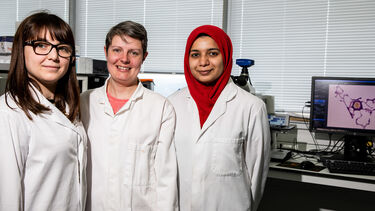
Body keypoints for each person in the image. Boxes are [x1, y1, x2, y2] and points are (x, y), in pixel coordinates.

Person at [168, 25, 271, 211]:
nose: (203, 62)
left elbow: (257, 176)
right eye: (195, 54)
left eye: (213, 53)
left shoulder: (251, 107)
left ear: (225, 56)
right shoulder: (171, 105)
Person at [80, 21, 178, 211]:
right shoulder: (84, 103)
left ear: (144, 57)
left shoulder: (161, 108)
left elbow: (166, 181)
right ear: (106, 52)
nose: (124, 59)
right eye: (117, 50)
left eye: (133, 53)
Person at [0, 11, 87, 210]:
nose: (54, 56)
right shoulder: (8, 113)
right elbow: (7, 198)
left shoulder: (67, 107)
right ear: (21, 51)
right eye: (41, 46)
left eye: (62, 48)